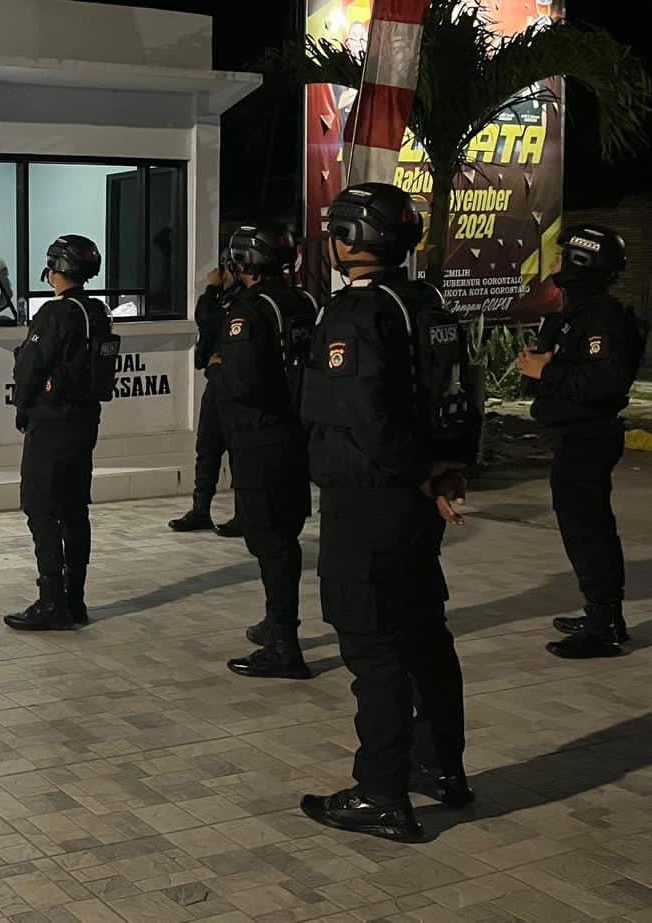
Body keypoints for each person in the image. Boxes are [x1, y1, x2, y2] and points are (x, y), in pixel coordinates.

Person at [298, 182, 475, 842]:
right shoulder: (425, 302)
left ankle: (380, 793)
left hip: (369, 497)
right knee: (424, 634)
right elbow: (456, 394)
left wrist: (420, 471)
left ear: (350, 239)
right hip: (413, 501)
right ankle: (439, 766)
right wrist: (442, 469)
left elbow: (366, 414)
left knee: (372, 646)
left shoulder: (356, 312)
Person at [518, 224, 646, 659]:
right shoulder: (578, 313)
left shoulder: (601, 317)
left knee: (589, 532)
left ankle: (603, 624)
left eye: (561, 255)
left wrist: (546, 371)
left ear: (580, 261)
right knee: (584, 530)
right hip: (574, 435)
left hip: (588, 436)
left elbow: (605, 380)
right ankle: (601, 614)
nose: (554, 263)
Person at [215, 224, 316, 680]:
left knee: (269, 539)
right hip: (296, 434)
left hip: (261, 437)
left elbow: (243, 381)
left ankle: (283, 643)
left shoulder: (249, 310)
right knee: (284, 534)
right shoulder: (304, 301)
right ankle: (277, 623)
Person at [5, 235, 112, 631]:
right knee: (74, 510)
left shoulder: (55, 313)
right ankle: (74, 599)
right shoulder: (97, 311)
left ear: (56, 270)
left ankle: (51, 600)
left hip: (51, 423)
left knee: (41, 508)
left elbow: (30, 366)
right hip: (84, 421)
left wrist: (22, 406)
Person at [168, 253, 243, 537]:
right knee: (207, 449)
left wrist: (211, 289)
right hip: (216, 385)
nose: (219, 274)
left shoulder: (242, 301)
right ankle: (201, 509)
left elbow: (208, 319)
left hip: (235, 386)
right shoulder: (225, 299)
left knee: (238, 452)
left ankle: (244, 514)